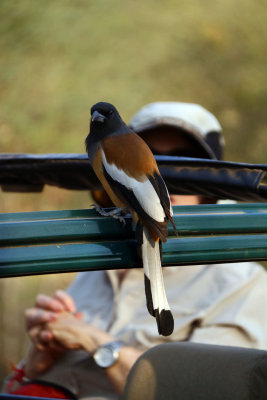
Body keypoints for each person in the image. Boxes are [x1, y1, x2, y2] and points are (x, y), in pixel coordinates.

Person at [4, 102, 267, 399]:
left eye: (184, 161)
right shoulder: (96, 266)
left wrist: (95, 342)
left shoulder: (240, 284)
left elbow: (207, 391)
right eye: (154, 151)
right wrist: (40, 360)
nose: (166, 170)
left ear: (210, 186)